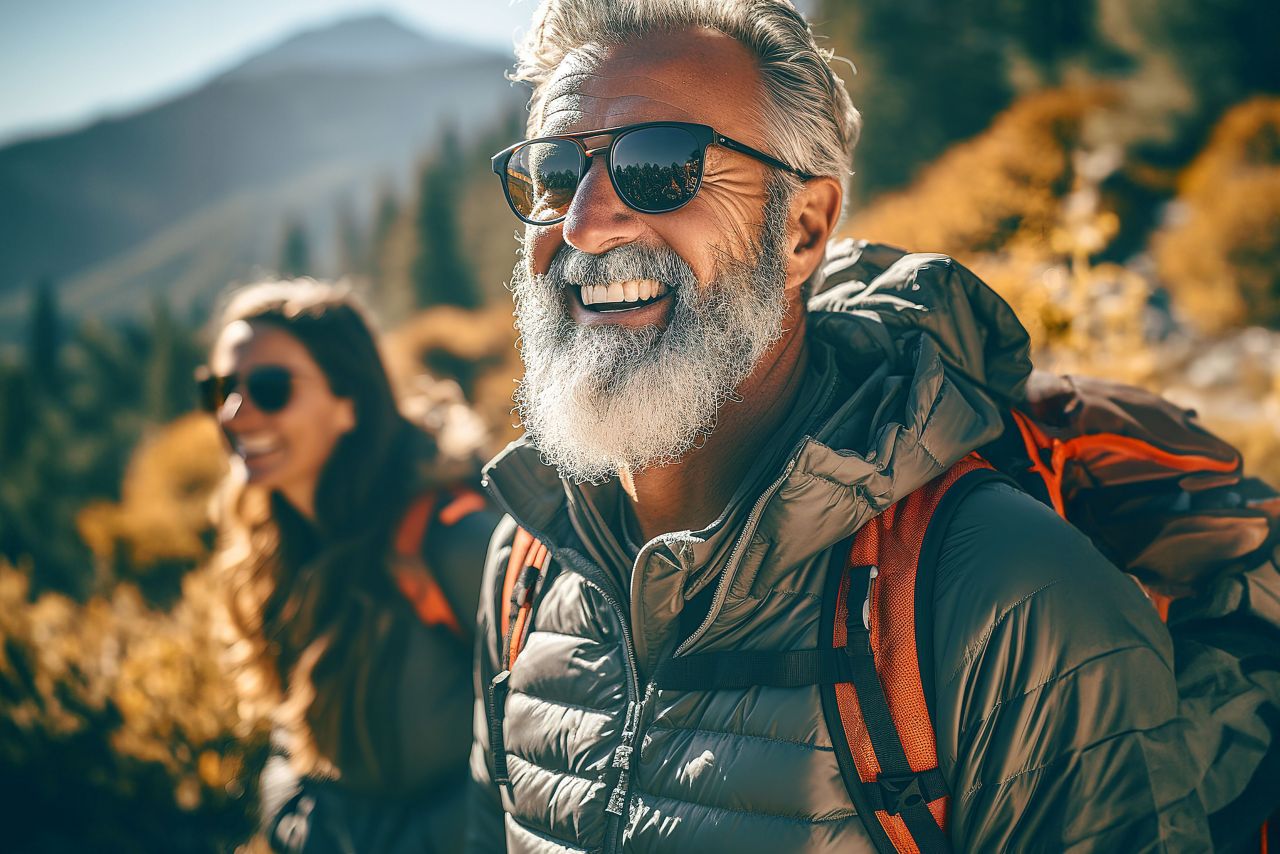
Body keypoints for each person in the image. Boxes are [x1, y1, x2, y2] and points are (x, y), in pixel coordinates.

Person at [465, 1, 1229, 851]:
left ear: (802, 230)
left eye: (661, 164)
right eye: (557, 173)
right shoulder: (527, 564)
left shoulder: (1010, 600)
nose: (582, 224)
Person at [203, 280, 497, 853]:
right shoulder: (278, 545)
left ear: (349, 403)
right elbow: (289, 744)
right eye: (219, 389)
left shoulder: (454, 543)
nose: (235, 414)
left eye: (269, 388)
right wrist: (296, 823)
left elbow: (545, 755)